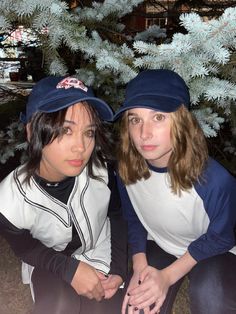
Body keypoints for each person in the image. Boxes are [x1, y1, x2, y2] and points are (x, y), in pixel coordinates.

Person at [0, 76, 127, 314]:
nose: (80, 146)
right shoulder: (8, 201)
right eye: (66, 130)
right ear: (32, 131)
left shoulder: (103, 172)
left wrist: (119, 270)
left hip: (99, 253)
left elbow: (117, 216)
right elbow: (25, 248)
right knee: (59, 305)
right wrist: (70, 270)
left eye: (88, 133)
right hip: (49, 261)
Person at [114, 69, 236, 314]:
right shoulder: (126, 169)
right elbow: (133, 217)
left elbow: (222, 237)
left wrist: (168, 276)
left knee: (211, 298)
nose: (144, 133)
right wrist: (139, 263)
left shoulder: (213, 180)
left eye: (158, 117)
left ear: (181, 122)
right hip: (162, 244)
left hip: (212, 250)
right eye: (135, 119)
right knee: (136, 307)